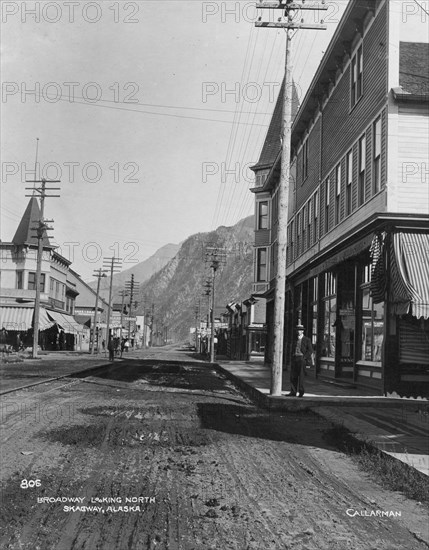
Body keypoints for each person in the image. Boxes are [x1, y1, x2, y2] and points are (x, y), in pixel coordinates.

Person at [288, 324, 314, 398]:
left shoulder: (307, 339)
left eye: (300, 330)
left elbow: (310, 350)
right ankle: (293, 391)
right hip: (295, 358)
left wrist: (304, 357)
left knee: (301, 376)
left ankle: (301, 392)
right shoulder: (295, 339)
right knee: (293, 376)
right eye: (297, 330)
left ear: (302, 331)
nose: (298, 331)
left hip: (301, 359)